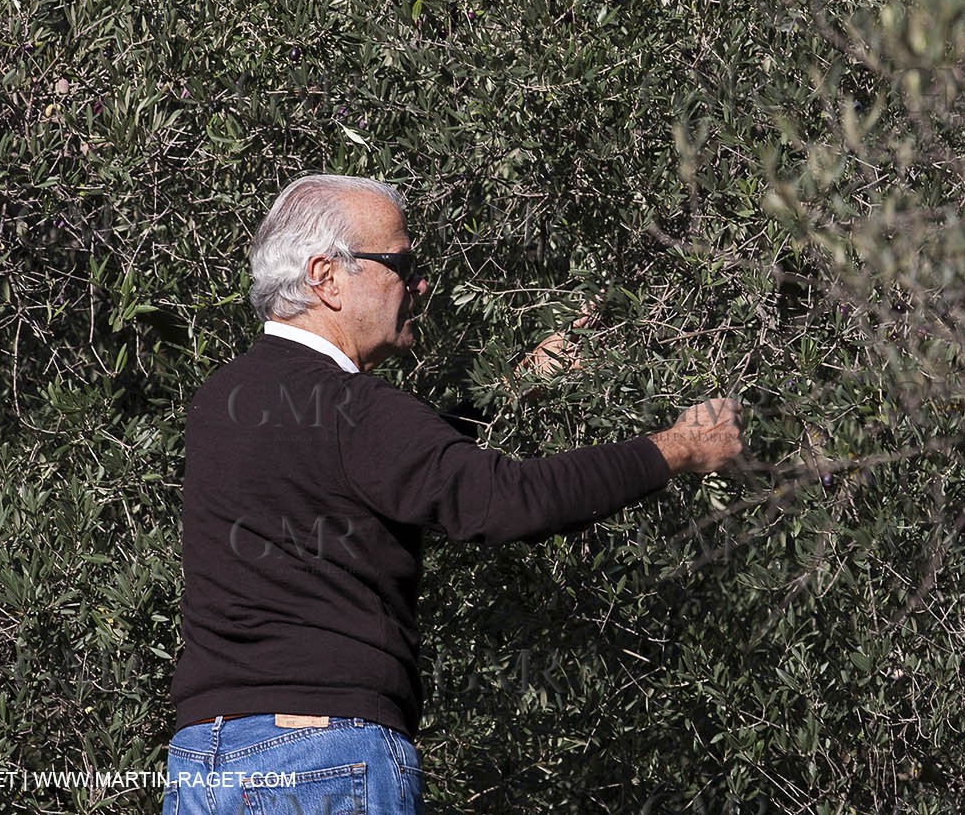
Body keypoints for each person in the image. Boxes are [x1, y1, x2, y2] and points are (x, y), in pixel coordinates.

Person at [163, 174, 743, 815]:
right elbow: (502, 500)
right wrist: (676, 448)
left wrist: (513, 387)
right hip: (324, 760)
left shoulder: (224, 399)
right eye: (401, 264)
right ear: (326, 278)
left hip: (204, 759)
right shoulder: (356, 407)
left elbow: (378, 460)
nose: (419, 285)